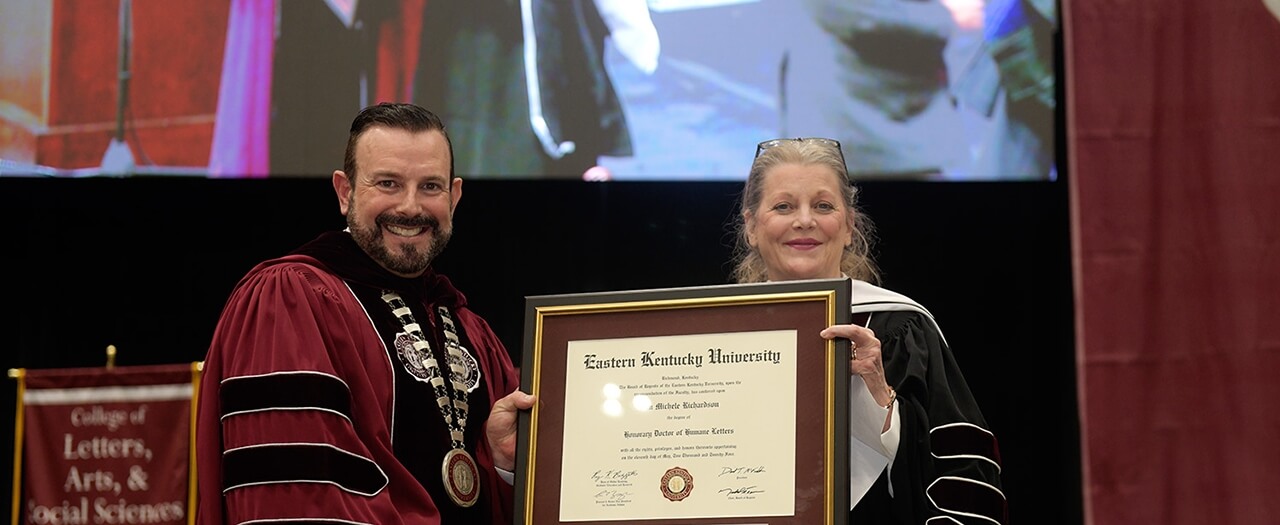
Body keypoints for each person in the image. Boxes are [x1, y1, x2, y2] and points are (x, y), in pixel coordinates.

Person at [195, 102, 535, 524]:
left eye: (430, 186)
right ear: (345, 192)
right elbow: (298, 496)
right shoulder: (291, 301)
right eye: (388, 183)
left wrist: (503, 465)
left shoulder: (471, 331)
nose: (410, 207)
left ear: (455, 196)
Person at [729, 137, 1006, 523]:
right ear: (752, 226)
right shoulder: (716, 336)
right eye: (783, 206)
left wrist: (880, 398)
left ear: (848, 226)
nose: (804, 220)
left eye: (823, 206)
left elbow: (962, 471)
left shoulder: (901, 329)